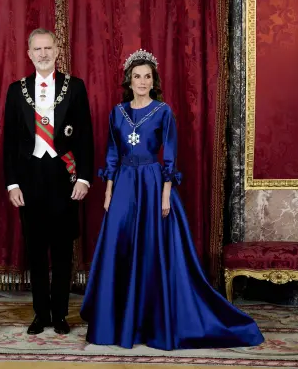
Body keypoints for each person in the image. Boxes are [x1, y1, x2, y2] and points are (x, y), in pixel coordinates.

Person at [80, 49, 264, 350]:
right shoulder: (117, 112)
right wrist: (109, 190)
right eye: (137, 76)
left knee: (152, 250)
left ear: (154, 81)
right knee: (119, 245)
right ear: (129, 80)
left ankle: (151, 320)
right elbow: (112, 152)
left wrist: (165, 194)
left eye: (147, 77)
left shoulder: (163, 112)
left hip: (153, 183)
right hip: (124, 183)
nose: (142, 82)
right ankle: (118, 320)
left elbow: (170, 155)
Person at [3, 28, 94, 335]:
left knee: (62, 250)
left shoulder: (75, 87)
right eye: (37, 49)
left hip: (64, 177)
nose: (43, 53)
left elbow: (85, 137)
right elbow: (10, 141)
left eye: (48, 48)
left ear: (57, 51)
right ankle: (40, 314)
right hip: (29, 179)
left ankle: (60, 315)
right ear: (29, 54)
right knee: (36, 251)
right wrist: (12, 184)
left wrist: (84, 178)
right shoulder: (16, 90)